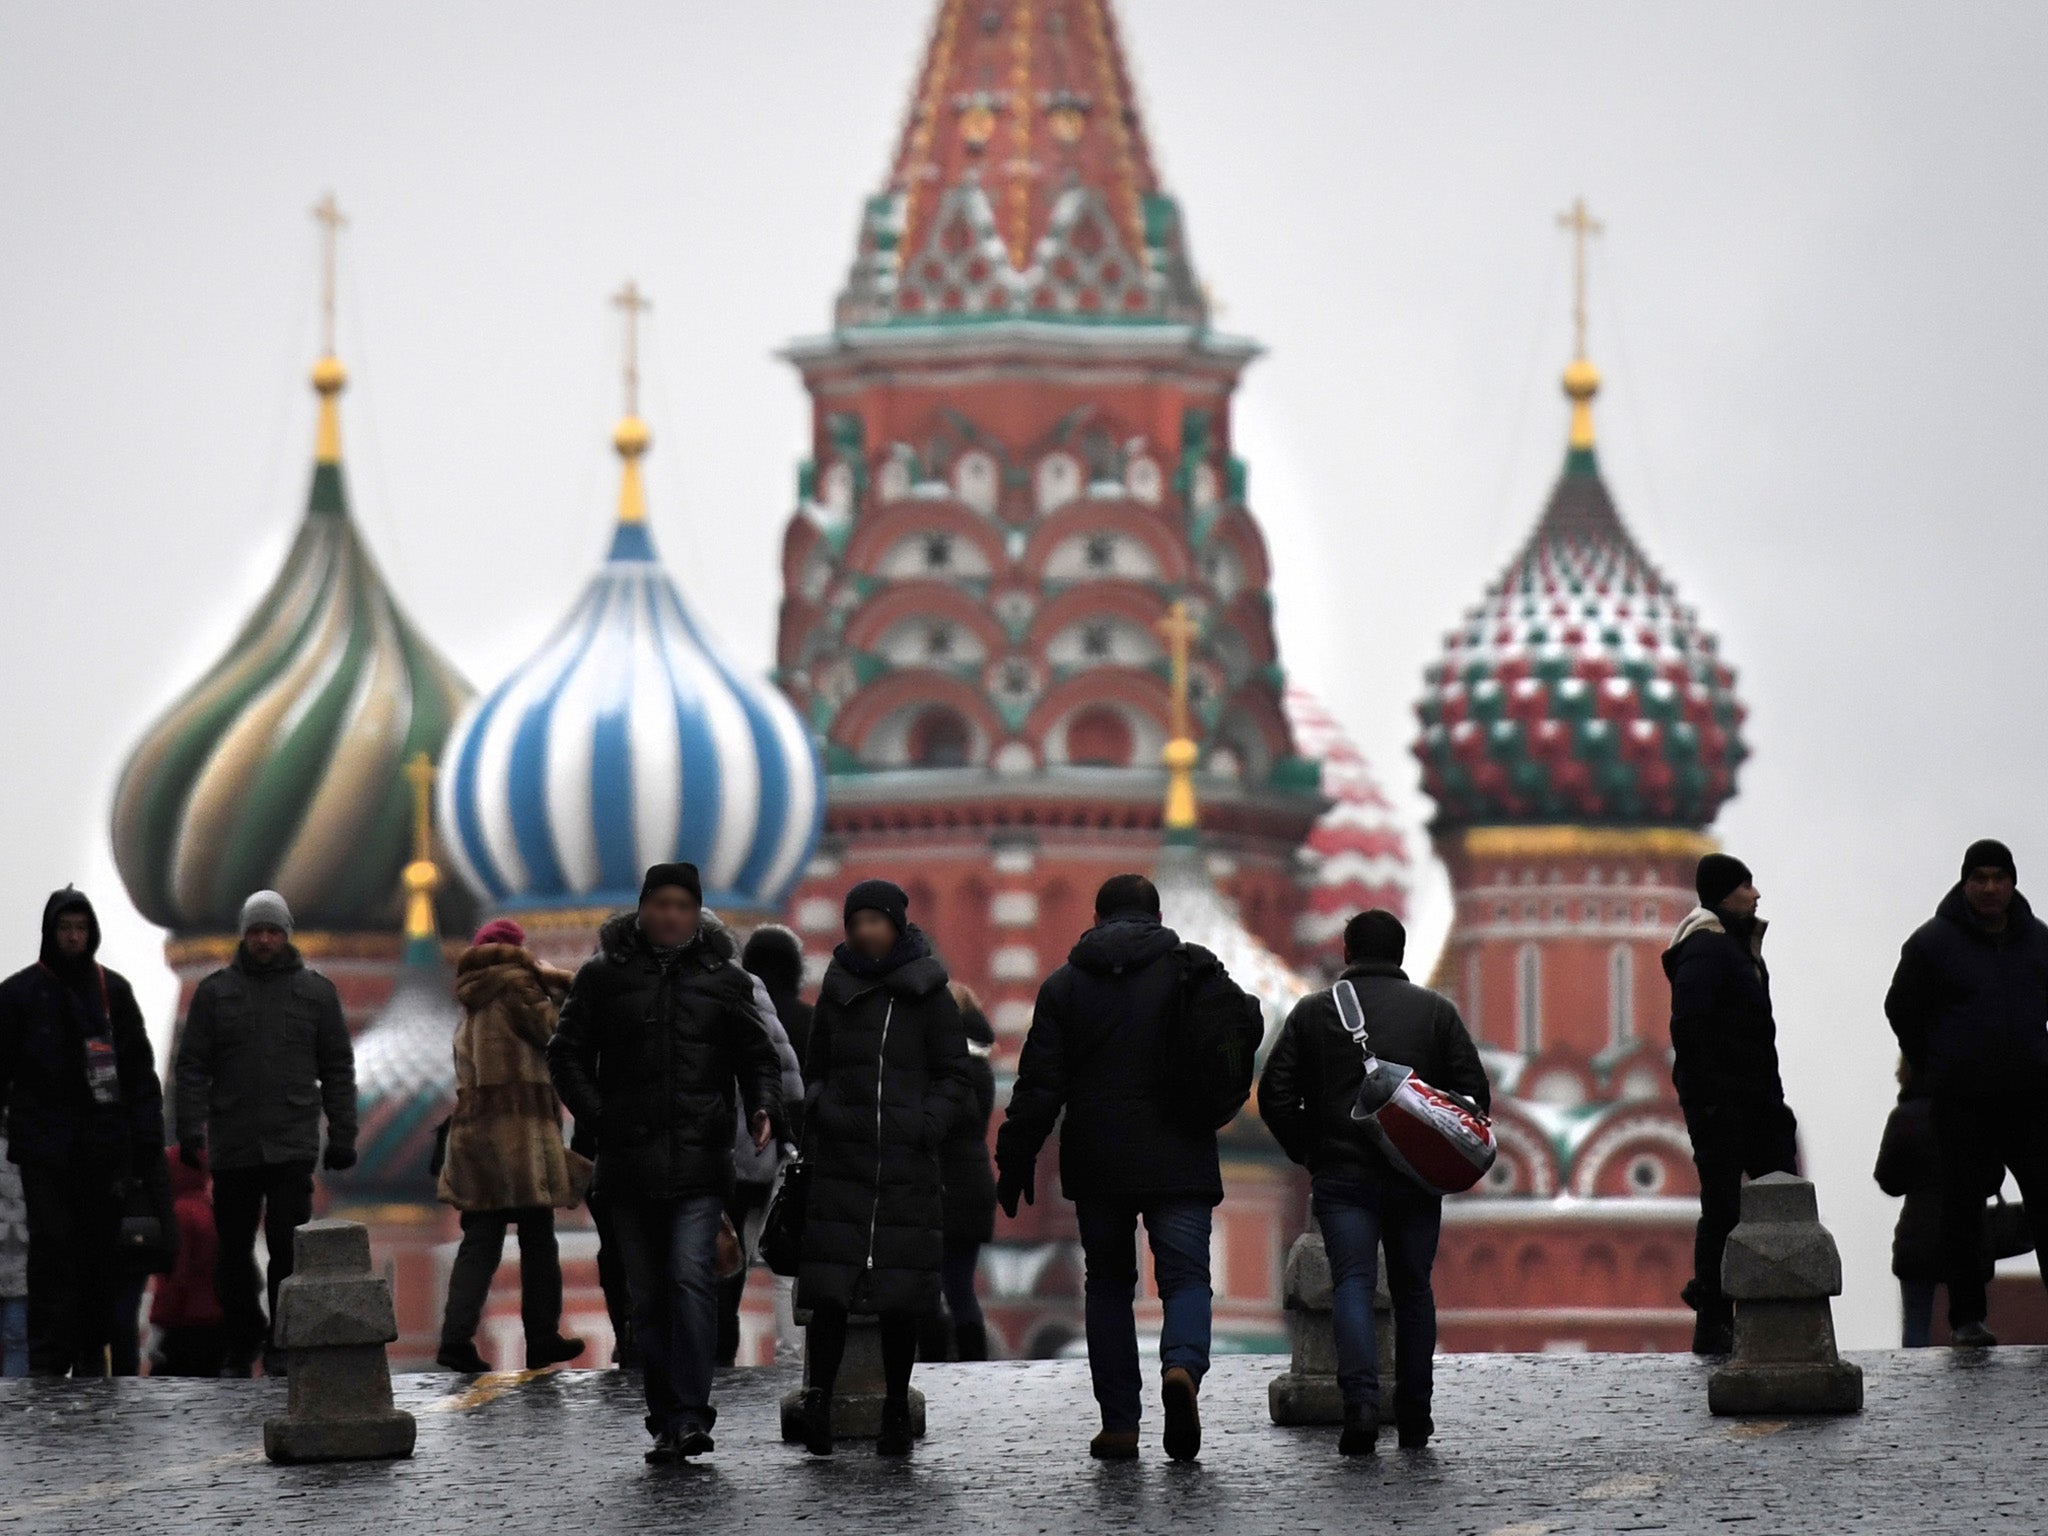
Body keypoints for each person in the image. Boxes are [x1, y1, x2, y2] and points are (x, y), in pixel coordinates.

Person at [995, 873, 1254, 1463]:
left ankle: (1120, 1424)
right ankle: (1182, 1367)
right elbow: (1240, 1031)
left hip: (1098, 1158)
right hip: (1180, 1150)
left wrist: (1015, 1161)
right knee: (1186, 1278)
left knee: (1109, 1286)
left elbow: (1039, 1085)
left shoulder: (1064, 987)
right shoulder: (1193, 971)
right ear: (1156, 916)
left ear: (1097, 917)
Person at [548, 863, 785, 1464]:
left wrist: (763, 1106)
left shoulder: (725, 981)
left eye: (683, 905)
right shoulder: (604, 977)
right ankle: (664, 1418)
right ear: (643, 909)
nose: (671, 915)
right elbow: (566, 1055)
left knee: (691, 1281)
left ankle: (692, 1414)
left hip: (702, 1166)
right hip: (628, 1167)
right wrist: (601, 1116)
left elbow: (757, 1055)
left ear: (694, 912)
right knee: (648, 1297)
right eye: (661, 904)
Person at [1258, 909, 1489, 1455]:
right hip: (1415, 1179)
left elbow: (1274, 1094)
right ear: (1402, 954)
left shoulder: (1315, 1012)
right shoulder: (1436, 1012)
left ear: (1347, 951)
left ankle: (1360, 1404)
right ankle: (1415, 1415)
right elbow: (1474, 1095)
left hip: (1342, 1178)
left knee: (1354, 1286)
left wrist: (1310, 1150)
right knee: (1414, 1291)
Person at [794, 880, 973, 1459]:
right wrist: (821, 1109)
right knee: (829, 1292)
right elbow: (814, 1065)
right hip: (842, 1161)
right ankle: (818, 1401)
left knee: (901, 1295)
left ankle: (895, 1406)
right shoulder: (837, 988)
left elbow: (954, 1076)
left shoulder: (928, 993)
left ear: (897, 924)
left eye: (875, 920)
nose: (865, 931)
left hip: (904, 1163)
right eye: (857, 921)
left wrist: (926, 1125)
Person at [175, 889, 357, 1376]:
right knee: (231, 1255)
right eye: (256, 931)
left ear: (286, 934)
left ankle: (282, 1343)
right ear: (244, 935)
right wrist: (190, 1132)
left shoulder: (316, 993)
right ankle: (243, 1338)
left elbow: (337, 1068)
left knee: (287, 1250)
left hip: (292, 1144)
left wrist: (343, 1134)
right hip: (233, 1144)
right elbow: (192, 1068)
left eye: (272, 931)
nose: (264, 939)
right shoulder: (215, 994)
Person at [1885, 838, 2048, 1348]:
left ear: (2014, 882)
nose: (1991, 888)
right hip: (1962, 1099)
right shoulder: (1932, 943)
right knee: (1961, 1208)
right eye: (1980, 878)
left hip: (2029, 1098)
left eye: (2000, 877)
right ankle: (1967, 1319)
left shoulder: (2038, 941)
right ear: (1965, 882)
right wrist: (1934, 1066)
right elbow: (1900, 1008)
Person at [0, 887, 167, 1376]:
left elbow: (139, 1074)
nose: (73, 937)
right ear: (51, 933)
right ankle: (47, 1362)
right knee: (51, 1253)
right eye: (65, 929)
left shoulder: (111, 993)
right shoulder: (19, 995)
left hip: (102, 1151)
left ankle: (92, 1358)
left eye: (80, 928)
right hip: (44, 1152)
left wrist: (145, 1142)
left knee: (99, 1257)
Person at [435, 918, 589, 1375]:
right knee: (538, 1237)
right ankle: (542, 1337)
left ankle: (455, 1340)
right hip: (520, 1136)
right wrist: (559, 979)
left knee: (479, 1241)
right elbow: (560, 1031)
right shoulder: (518, 987)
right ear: (517, 951)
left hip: (477, 1136)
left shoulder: (471, 997)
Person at [1663, 853, 1799, 1357]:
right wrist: (1715, 1097)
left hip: (1757, 1100)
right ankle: (1715, 1317)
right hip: (1726, 1104)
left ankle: (1777, 1307)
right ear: (1724, 894)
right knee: (1724, 1208)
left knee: (1781, 1199)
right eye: (1746, 885)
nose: (1756, 894)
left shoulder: (1736, 947)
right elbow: (1691, 1028)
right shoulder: (1707, 949)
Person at [730, 925, 807, 1367]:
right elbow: (800, 1087)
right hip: (787, 1155)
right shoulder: (806, 1019)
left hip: (738, 1153)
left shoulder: (735, 1005)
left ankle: (721, 1350)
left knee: (728, 1255)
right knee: (785, 1264)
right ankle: (792, 1356)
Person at [1874, 1060, 1988, 1347]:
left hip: (1918, 1234)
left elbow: (1889, 1180)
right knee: (1971, 1324)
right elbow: (1992, 1176)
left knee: (1915, 1326)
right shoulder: (1971, 1113)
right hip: (1968, 1232)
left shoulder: (1904, 1116)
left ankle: (1914, 1390)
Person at [926, 983, 996, 1363]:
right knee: (960, 1286)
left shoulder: (949, 1070)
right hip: (974, 1187)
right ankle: (974, 1363)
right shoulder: (981, 1068)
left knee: (935, 1287)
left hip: (944, 1188)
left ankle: (936, 1362)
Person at [148, 1144, 225, 1377]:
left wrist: (159, 1322)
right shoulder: (210, 1210)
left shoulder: (179, 1215)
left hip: (184, 1325)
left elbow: (175, 1277)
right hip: (216, 1323)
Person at [0, 1136, 27, 1377]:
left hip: (20, 1255)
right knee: (16, 1336)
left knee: (16, 1335)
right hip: (20, 1253)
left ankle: (13, 1398)